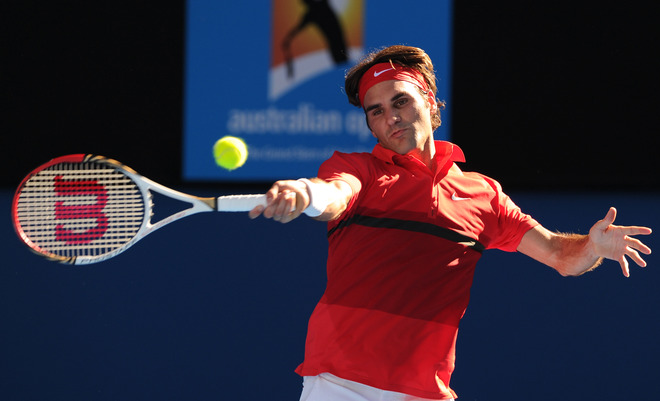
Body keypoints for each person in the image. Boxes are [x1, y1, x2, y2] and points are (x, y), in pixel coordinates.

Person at [248, 45, 652, 401]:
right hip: (340, 386)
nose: (392, 118)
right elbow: (334, 193)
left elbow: (561, 257)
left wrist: (592, 246)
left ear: (429, 99)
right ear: (370, 124)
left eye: (401, 102)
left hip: (426, 390)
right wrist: (306, 193)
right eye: (378, 112)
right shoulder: (359, 170)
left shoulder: (484, 195)